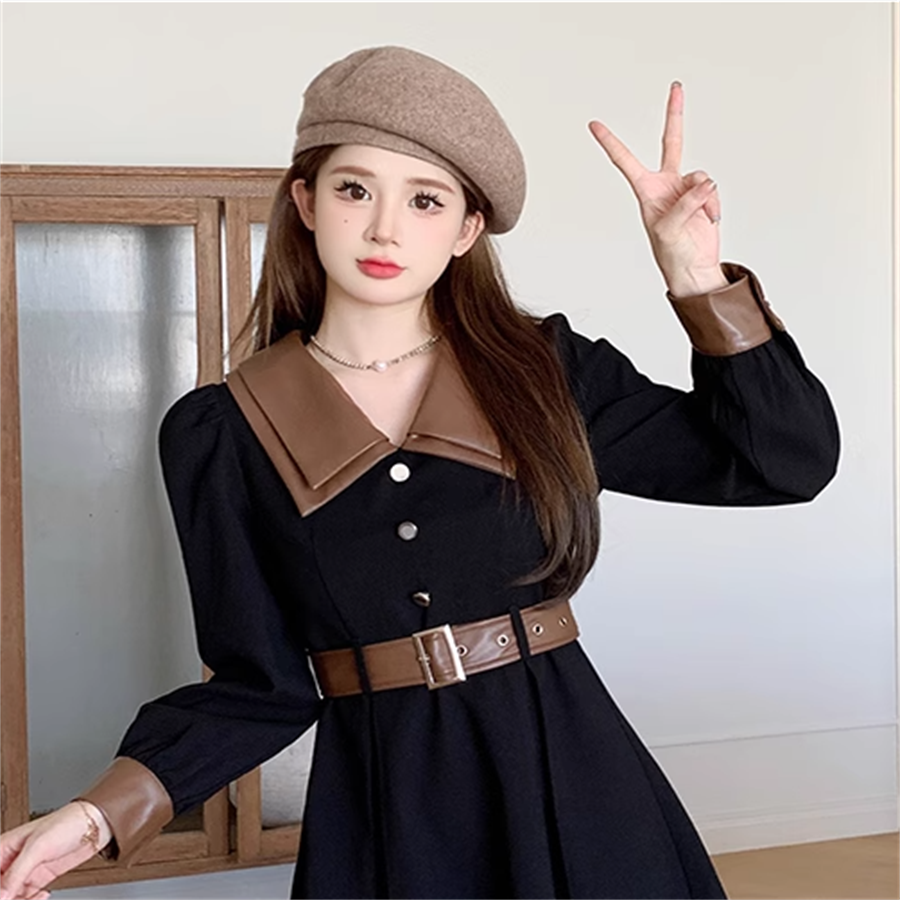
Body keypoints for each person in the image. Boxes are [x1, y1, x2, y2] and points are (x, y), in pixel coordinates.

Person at [0, 46, 839, 900]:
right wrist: (97, 816)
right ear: (306, 202)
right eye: (354, 190)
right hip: (386, 815)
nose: (385, 230)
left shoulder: (545, 373)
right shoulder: (224, 433)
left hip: (578, 790)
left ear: (467, 230)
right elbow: (260, 687)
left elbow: (783, 463)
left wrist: (695, 276)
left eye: (426, 200)